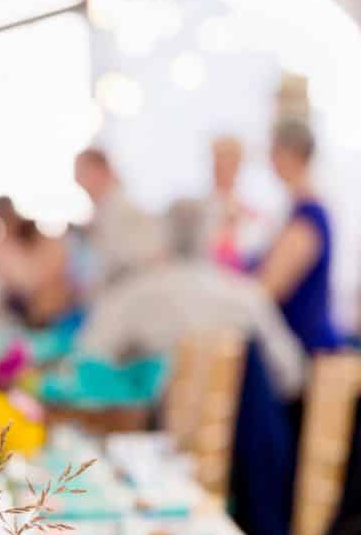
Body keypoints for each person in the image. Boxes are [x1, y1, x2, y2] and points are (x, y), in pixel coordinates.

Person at [80, 198, 305, 398]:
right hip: (251, 441)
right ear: (211, 235)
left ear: (162, 235)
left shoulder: (134, 295)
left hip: (163, 438)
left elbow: (88, 358)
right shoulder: (247, 296)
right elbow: (291, 377)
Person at [255, 117, 340, 353]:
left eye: (273, 152)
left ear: (290, 154)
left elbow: (268, 289)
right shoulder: (293, 211)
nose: (270, 160)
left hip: (305, 348)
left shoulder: (307, 215)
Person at [73, 147, 164, 289]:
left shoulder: (122, 211)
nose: (78, 181)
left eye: (82, 173)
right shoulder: (104, 212)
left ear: (100, 171)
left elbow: (140, 261)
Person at [0, 197, 77, 328]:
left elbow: (56, 264)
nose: (9, 221)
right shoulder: (4, 248)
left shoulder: (42, 239)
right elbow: (9, 280)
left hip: (58, 311)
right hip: (31, 316)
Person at [206, 135, 267, 270]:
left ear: (238, 166)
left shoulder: (253, 216)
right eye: (217, 161)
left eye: (229, 162)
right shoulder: (200, 210)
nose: (220, 169)